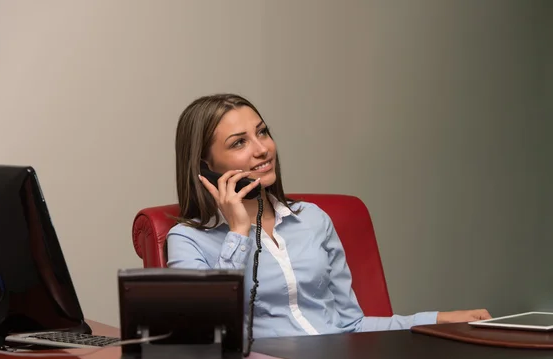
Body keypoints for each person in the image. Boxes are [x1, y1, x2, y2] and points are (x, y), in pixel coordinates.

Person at [167, 93, 491, 340]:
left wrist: (435, 320)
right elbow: (200, 333)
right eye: (239, 143)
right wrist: (237, 232)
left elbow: (351, 324)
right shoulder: (186, 240)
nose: (262, 149)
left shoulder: (312, 220)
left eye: (262, 133)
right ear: (205, 166)